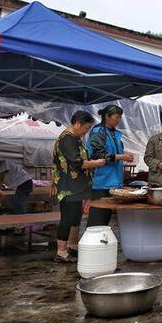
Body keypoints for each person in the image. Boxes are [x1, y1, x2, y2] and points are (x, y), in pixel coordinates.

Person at [52, 111, 106, 263]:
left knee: (76, 217)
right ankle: (61, 252)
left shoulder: (75, 139)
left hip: (76, 186)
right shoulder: (67, 139)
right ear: (77, 124)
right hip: (67, 186)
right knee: (67, 218)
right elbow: (78, 163)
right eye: (86, 128)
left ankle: (72, 246)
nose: (86, 132)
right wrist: (97, 163)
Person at [86, 105, 133, 227]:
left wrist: (122, 156)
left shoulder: (115, 134)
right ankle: (92, 243)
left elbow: (115, 153)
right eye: (116, 117)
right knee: (98, 218)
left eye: (120, 118)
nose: (118, 120)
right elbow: (97, 155)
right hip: (101, 182)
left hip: (114, 181)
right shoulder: (98, 132)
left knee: (106, 218)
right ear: (107, 116)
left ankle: (102, 243)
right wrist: (121, 157)